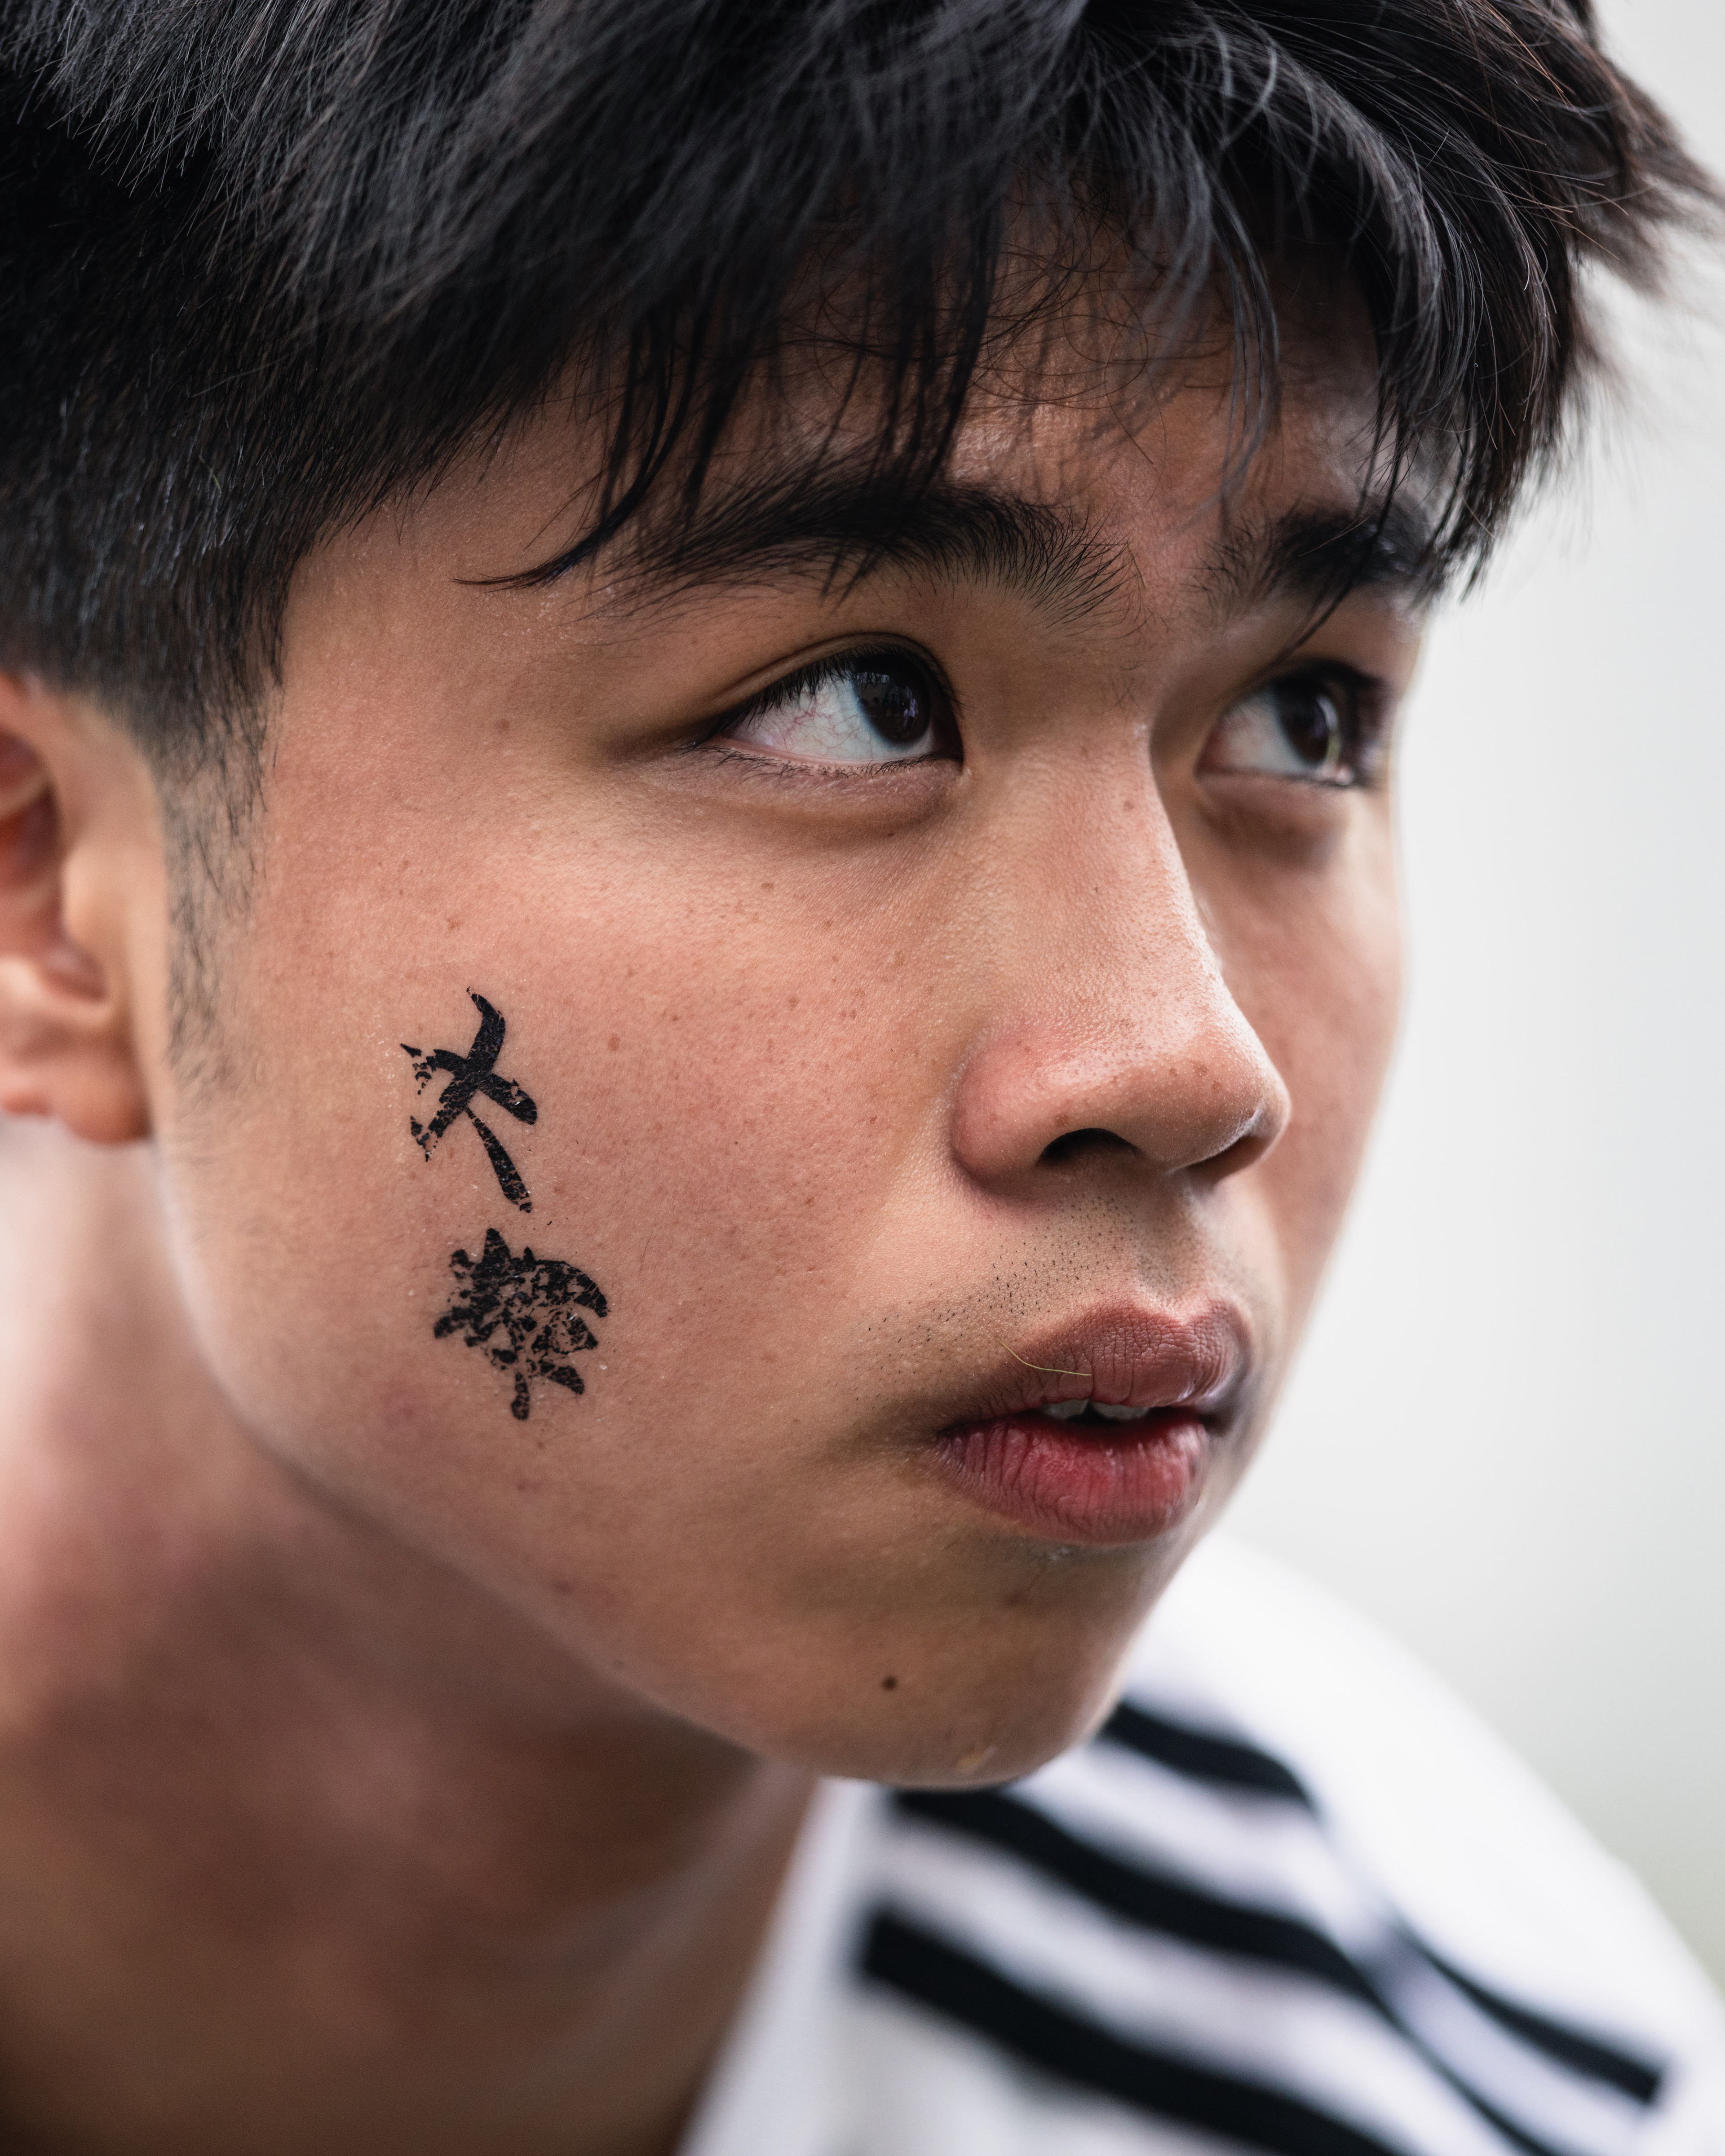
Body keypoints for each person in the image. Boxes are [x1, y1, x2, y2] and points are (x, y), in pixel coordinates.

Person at [0, 0, 1719, 2149]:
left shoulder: (1454, 2090)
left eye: (1304, 721)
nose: (1189, 1064)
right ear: (55, 888)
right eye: (855, 704)